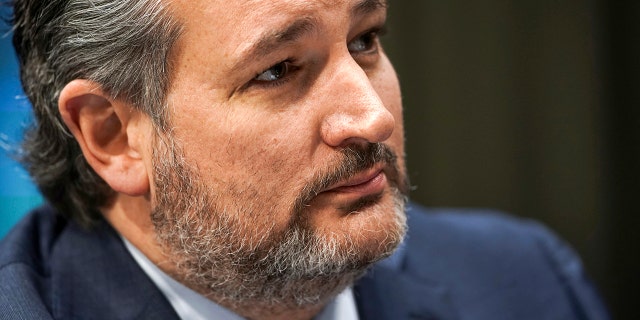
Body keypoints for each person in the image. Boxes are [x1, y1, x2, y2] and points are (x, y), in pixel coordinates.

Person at [0, 0, 608, 319]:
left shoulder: (525, 282)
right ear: (114, 135)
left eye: (365, 40)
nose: (373, 118)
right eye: (278, 70)